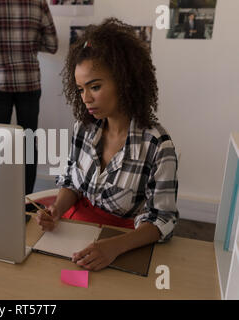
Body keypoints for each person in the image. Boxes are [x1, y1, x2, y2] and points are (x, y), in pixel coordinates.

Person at [36, 18, 179, 272]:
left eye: (95, 86)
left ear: (125, 82)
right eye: (80, 89)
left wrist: (114, 246)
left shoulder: (157, 145)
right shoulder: (83, 128)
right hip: (73, 232)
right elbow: (71, 183)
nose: (86, 99)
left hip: (121, 242)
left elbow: (162, 220)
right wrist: (56, 210)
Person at [0, 0, 58, 195]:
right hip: (29, 83)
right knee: (29, 143)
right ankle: (27, 200)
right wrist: (28, 44)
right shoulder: (39, 3)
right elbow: (52, 45)